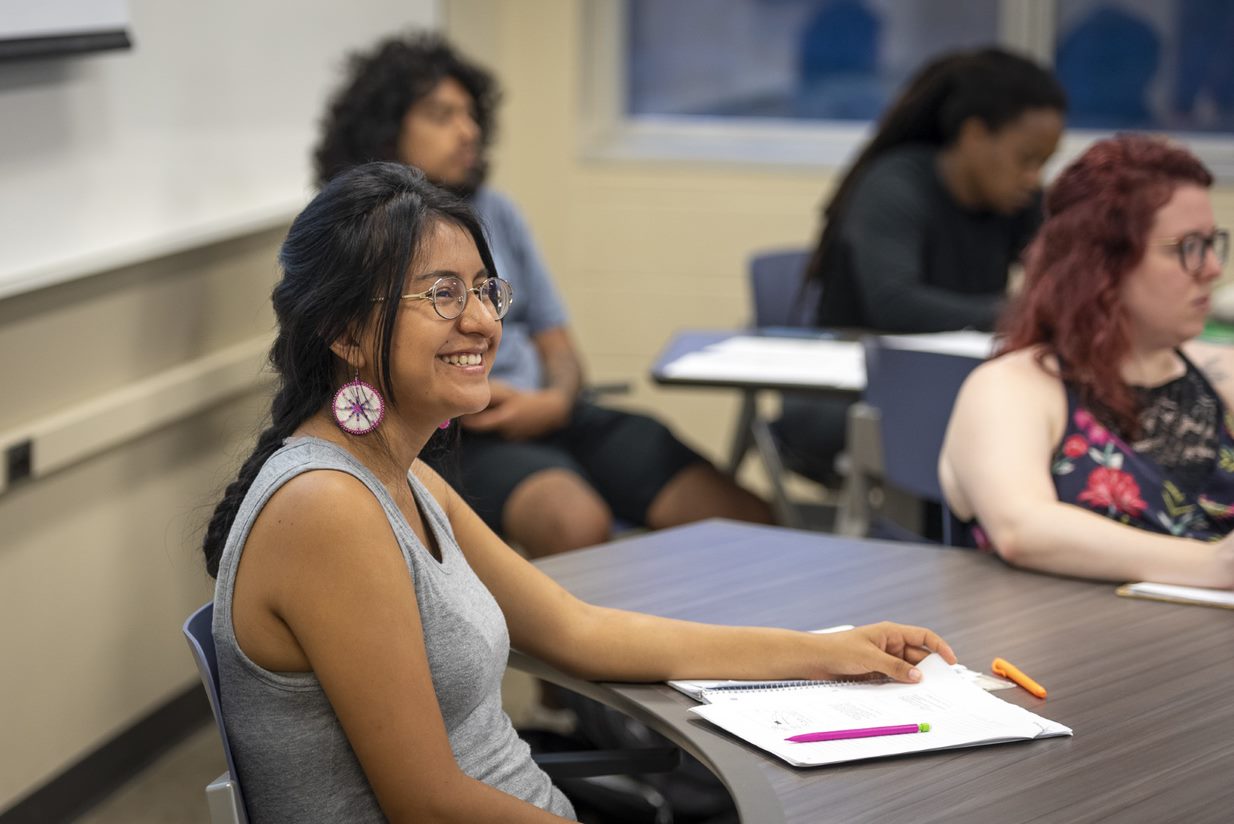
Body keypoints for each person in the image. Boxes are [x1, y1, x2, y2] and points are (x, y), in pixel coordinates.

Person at [199, 161, 957, 822]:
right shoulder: (326, 507)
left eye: (484, 290)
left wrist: (827, 654)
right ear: (345, 332)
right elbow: (426, 804)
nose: (482, 321)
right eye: (440, 295)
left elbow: (579, 632)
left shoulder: (404, 475)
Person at [313, 33, 771, 557]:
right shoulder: (353, 234)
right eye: (442, 116)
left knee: (744, 518)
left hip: (549, 412)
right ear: (386, 129)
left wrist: (553, 401)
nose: (469, 132)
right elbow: (361, 380)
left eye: (471, 115)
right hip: (456, 434)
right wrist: (459, 408)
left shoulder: (497, 211)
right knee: (575, 523)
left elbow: (561, 350)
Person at [940, 135, 1234, 589]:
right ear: (1103, 265)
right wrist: (1213, 565)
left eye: (1212, 243)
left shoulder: (1219, 375)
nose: (1213, 268)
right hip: (1059, 651)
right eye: (1187, 248)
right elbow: (1022, 529)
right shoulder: (1013, 386)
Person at [776, 47, 1067, 491]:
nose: (1034, 178)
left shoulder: (1013, 201)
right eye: (1025, 158)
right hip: (860, 389)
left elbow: (1063, 281)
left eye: (1043, 164)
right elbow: (896, 305)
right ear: (973, 136)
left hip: (951, 379)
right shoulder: (894, 186)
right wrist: (1020, 314)